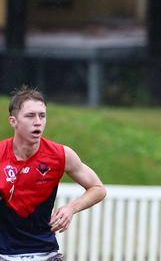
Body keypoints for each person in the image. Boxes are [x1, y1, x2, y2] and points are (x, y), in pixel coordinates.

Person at [0, 87, 107, 261]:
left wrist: (71, 208)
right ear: (13, 121)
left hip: (46, 253)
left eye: (42, 116)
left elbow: (97, 188)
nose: (37, 122)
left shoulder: (60, 155)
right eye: (30, 116)